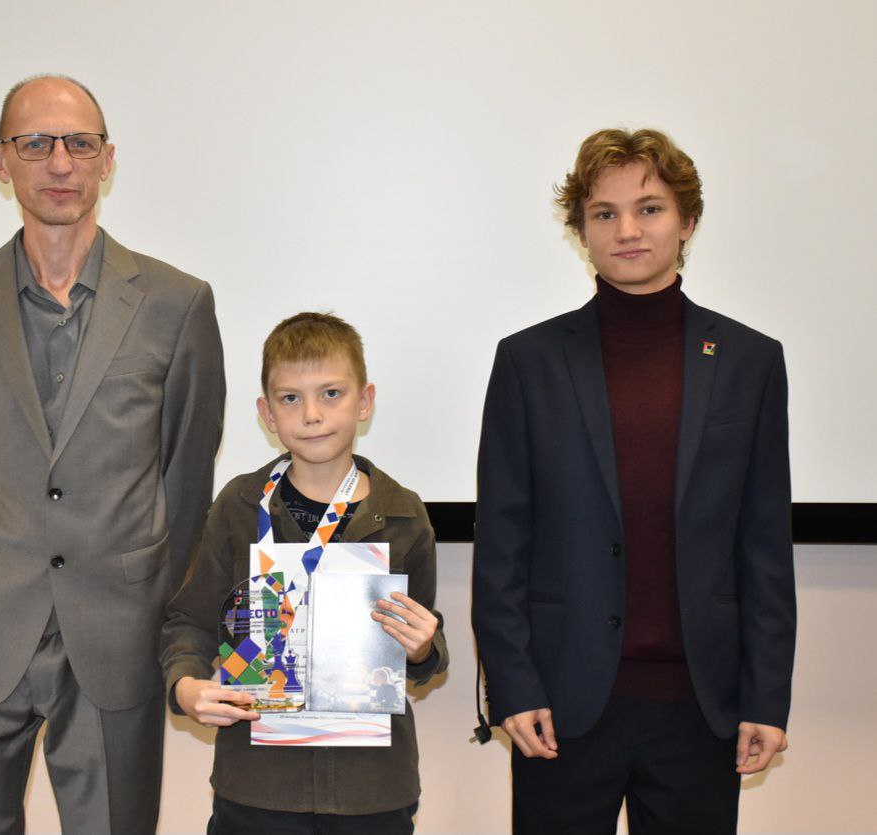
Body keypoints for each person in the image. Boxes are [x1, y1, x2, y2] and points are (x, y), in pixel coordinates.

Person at [0, 74, 225, 834]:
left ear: (107, 160)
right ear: (0, 161)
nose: (59, 163)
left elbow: (185, 472)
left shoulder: (177, 303)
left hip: (119, 630)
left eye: (79, 144)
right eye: (35, 144)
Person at [472, 128, 795, 833]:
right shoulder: (528, 362)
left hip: (701, 708)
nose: (627, 230)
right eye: (605, 213)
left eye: (649, 209)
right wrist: (513, 685)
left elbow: (765, 545)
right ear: (581, 230)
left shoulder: (750, 361)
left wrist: (767, 696)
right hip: (560, 706)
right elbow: (501, 545)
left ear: (687, 221)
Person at [160, 312, 448, 834]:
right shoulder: (239, 507)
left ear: (365, 401)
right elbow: (190, 621)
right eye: (290, 398)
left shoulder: (404, 514)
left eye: (331, 393)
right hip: (258, 787)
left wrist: (423, 647)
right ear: (267, 414)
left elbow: (424, 645)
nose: (312, 414)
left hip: (371, 790)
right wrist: (185, 686)